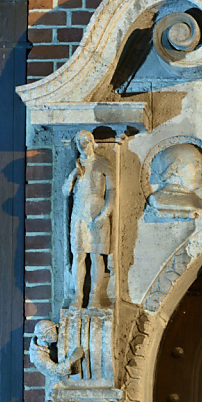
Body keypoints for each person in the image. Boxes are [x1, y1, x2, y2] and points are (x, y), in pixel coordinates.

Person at [63, 130, 114, 308]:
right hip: (79, 211)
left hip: (97, 211)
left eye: (86, 141)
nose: (84, 145)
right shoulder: (76, 165)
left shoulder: (103, 163)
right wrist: (74, 174)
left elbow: (112, 192)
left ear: (93, 143)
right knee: (78, 254)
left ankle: (95, 296)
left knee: (96, 255)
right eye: (80, 142)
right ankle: (77, 296)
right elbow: (65, 192)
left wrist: (105, 214)